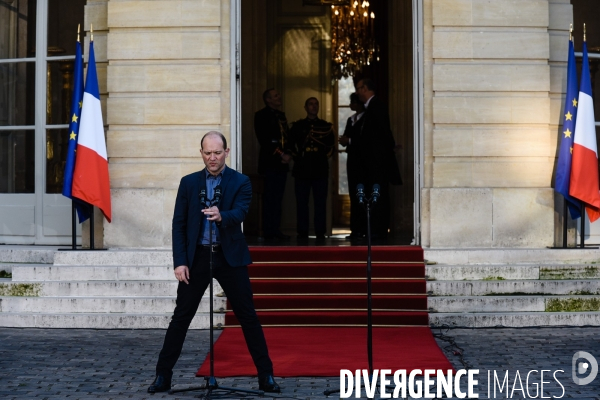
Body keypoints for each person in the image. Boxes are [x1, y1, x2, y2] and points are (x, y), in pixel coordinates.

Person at [148, 131, 280, 394]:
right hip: (196, 256)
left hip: (229, 256)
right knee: (181, 318)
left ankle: (266, 376)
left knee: (247, 317)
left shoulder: (241, 181)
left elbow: (241, 212)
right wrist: (180, 262)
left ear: (226, 153)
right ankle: (163, 376)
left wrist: (222, 216)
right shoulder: (188, 183)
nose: (212, 158)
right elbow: (179, 225)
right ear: (201, 154)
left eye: (217, 153)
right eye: (207, 153)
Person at [355, 78, 402, 240]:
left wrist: (389, 148)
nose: (357, 92)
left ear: (365, 89)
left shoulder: (377, 106)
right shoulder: (370, 108)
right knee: (375, 194)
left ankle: (378, 230)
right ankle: (374, 229)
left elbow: (382, 131)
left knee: (379, 195)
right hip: (372, 162)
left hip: (377, 162)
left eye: (359, 88)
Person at [289, 97, 335, 242]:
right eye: (310, 104)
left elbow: (331, 148)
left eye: (316, 104)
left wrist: (321, 157)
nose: (314, 107)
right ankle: (302, 232)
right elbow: (290, 146)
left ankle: (320, 232)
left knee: (320, 202)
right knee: (302, 203)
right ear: (305, 107)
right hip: (302, 169)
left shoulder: (325, 126)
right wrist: (298, 158)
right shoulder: (297, 126)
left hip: (320, 169)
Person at [254, 89, 292, 242]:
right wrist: (281, 154)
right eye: (276, 96)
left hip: (282, 164)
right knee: (270, 198)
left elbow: (286, 137)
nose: (279, 97)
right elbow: (265, 139)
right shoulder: (261, 115)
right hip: (270, 163)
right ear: (268, 99)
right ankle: (268, 230)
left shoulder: (281, 115)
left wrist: (288, 153)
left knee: (278, 198)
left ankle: (276, 229)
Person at [339, 93, 366, 240]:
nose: (351, 105)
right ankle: (355, 229)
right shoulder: (351, 120)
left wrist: (349, 140)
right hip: (352, 160)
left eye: (353, 102)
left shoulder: (367, 119)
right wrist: (344, 140)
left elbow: (366, 140)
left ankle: (364, 228)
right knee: (353, 194)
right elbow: (347, 136)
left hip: (364, 161)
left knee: (363, 194)